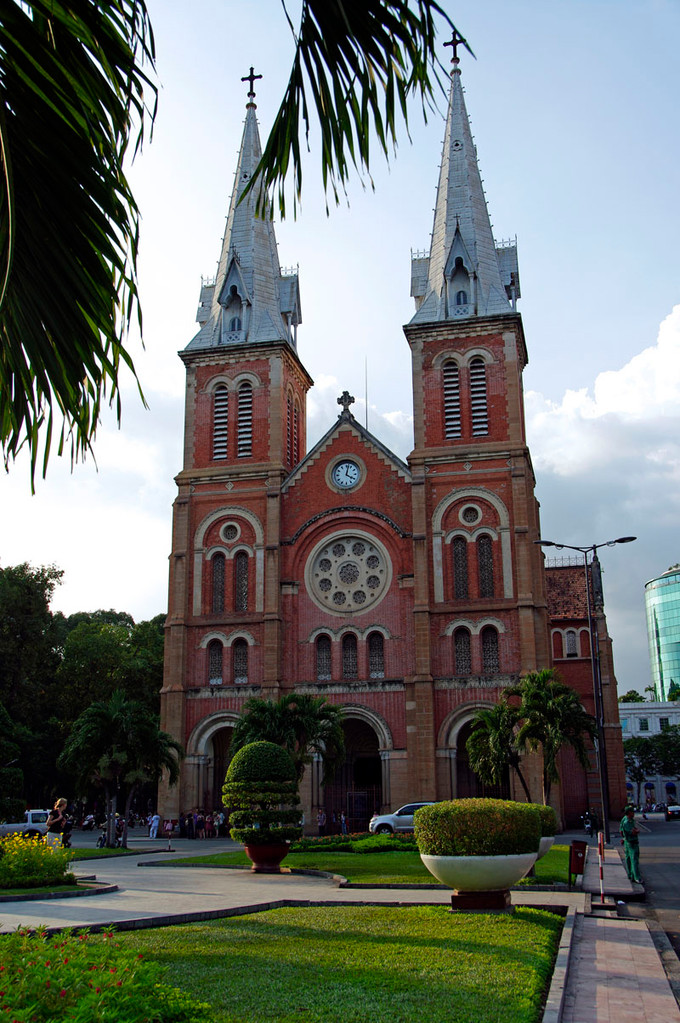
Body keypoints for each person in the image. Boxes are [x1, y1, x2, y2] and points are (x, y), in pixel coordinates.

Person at [620, 805, 642, 884]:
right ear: (629, 812)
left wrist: (624, 838)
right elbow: (632, 831)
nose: (634, 813)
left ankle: (631, 875)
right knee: (634, 859)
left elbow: (621, 831)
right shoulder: (627, 822)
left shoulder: (625, 819)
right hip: (631, 842)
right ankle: (637, 877)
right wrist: (636, 831)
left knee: (629, 858)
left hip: (627, 841)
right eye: (632, 812)